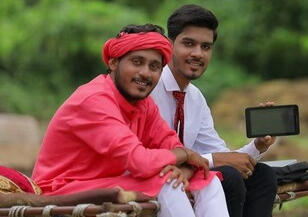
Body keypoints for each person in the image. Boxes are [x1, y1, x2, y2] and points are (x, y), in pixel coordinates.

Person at [31, 24, 229, 217]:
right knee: (167, 181)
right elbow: (140, 162)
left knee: (207, 180)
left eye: (154, 66)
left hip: (109, 182)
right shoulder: (94, 100)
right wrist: (185, 154)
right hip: (63, 188)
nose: (145, 73)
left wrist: (184, 168)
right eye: (137, 62)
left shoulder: (144, 105)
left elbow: (171, 144)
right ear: (113, 63)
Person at [149, 4, 278, 217]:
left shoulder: (195, 98)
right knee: (229, 175)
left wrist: (258, 145)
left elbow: (223, 155)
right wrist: (214, 160)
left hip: (190, 174)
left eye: (206, 47)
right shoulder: (148, 88)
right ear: (169, 45)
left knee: (263, 174)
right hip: (160, 175)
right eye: (188, 44)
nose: (197, 53)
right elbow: (146, 155)